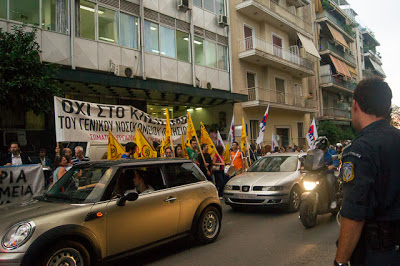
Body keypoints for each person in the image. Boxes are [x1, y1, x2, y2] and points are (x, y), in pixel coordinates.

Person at [335, 78, 400, 265]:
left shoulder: (359, 150)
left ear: (355, 105)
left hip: (378, 254)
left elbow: (354, 214)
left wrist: (339, 262)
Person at [314, 136, 339, 209]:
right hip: (319, 173)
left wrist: (333, 165)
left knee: (329, 182)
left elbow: (336, 161)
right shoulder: (316, 154)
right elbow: (311, 161)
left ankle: (333, 201)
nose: (317, 147)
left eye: (319, 145)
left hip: (328, 172)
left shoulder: (331, 152)